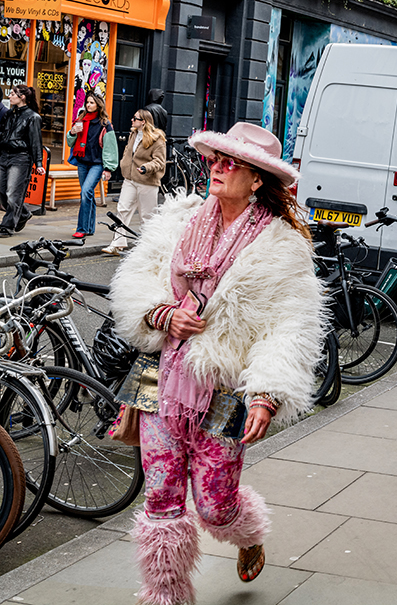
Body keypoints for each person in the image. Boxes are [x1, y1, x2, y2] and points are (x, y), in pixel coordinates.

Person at [109, 121, 325, 605]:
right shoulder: (177, 220)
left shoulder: (281, 247)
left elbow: (290, 327)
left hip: (222, 388)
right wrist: (160, 313)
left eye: (232, 163)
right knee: (160, 497)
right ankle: (165, 594)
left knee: (213, 505)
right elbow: (136, 283)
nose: (218, 169)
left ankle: (247, 534)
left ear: (256, 180)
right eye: (215, 160)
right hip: (157, 378)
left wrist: (268, 393)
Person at [102, 109, 166, 256]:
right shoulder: (134, 134)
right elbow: (127, 152)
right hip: (130, 179)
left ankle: (148, 247)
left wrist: (146, 167)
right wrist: (124, 163)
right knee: (122, 210)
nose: (132, 120)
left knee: (147, 216)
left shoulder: (157, 139)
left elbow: (160, 162)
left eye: (135, 118)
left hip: (147, 182)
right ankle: (117, 244)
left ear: (143, 121)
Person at [67, 91, 119, 238]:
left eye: (92, 102)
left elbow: (110, 147)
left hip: (97, 164)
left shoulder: (105, 124)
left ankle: (82, 228)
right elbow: (70, 142)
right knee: (87, 194)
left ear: (98, 104)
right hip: (82, 162)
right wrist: (72, 132)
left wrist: (108, 168)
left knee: (85, 192)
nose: (88, 105)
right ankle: (89, 228)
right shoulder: (81, 119)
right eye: (87, 102)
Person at [0, 84, 45, 237]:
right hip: (4, 156)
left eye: (13, 93)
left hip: (20, 158)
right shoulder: (9, 114)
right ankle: (23, 214)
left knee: (13, 194)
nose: (10, 96)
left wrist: (38, 163)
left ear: (22, 97)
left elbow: (36, 142)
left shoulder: (33, 117)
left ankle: (7, 226)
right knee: (2, 192)